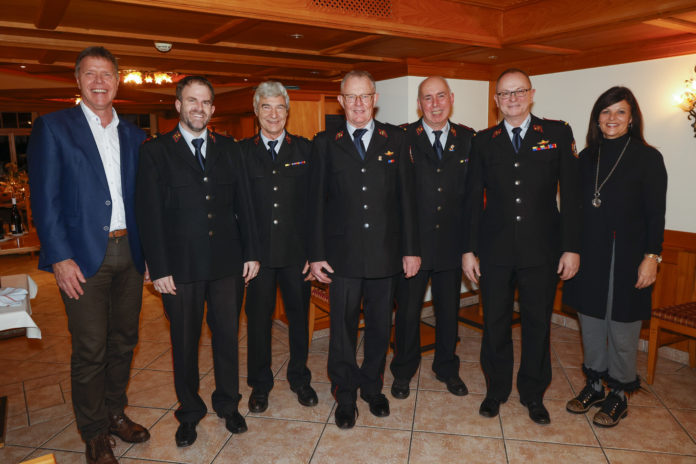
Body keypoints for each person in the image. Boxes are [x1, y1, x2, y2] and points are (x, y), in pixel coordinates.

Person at [27, 46, 150, 464]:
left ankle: (115, 413)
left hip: (130, 252)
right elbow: (44, 200)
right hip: (80, 259)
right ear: (78, 80)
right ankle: (94, 433)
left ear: (118, 81)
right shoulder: (54, 127)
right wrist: (59, 257)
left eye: (107, 74)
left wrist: (150, 255)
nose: (99, 82)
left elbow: (143, 202)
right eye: (90, 74)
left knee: (124, 341)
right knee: (91, 348)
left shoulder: (135, 135)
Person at [136, 76, 260, 446]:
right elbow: (149, 214)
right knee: (185, 343)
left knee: (227, 338)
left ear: (213, 108)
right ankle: (189, 413)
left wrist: (252, 252)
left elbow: (245, 204)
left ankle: (228, 404)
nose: (198, 108)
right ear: (178, 105)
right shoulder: (156, 151)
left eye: (205, 102)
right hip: (180, 268)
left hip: (227, 264)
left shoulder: (229, 148)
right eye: (192, 100)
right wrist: (159, 267)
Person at [462, 68, 582, 425]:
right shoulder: (484, 140)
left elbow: (572, 195)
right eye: (504, 93)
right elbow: (472, 200)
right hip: (495, 251)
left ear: (531, 94)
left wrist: (572, 247)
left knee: (537, 325)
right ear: (496, 100)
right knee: (495, 324)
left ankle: (533, 394)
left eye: (518, 91)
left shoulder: (557, 133)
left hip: (541, 251)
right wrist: (468, 250)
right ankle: (496, 390)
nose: (512, 98)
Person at [308, 70, 420, 429]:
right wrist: (316, 254)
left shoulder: (397, 139)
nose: (359, 103)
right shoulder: (325, 142)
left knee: (378, 326)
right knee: (342, 330)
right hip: (341, 257)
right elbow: (316, 203)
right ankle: (345, 394)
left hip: (385, 254)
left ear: (375, 99)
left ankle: (372, 387)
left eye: (365, 96)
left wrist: (411, 249)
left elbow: (407, 199)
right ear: (341, 101)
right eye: (351, 97)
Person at [563, 86, 667, 427]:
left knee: (623, 327)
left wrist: (652, 257)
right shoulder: (585, 158)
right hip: (589, 255)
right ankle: (594, 386)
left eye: (620, 111)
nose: (612, 118)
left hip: (627, 257)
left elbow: (656, 214)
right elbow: (574, 209)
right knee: (591, 324)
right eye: (606, 111)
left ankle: (619, 394)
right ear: (597, 118)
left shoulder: (647, 158)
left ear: (631, 118)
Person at [390, 76, 474, 399]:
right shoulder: (402, 137)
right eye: (428, 97)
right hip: (413, 246)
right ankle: (403, 371)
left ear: (451, 98)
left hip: (451, 245)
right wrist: (404, 246)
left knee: (449, 312)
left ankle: (447, 368)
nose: (435, 104)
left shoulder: (468, 138)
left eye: (441, 96)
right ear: (419, 104)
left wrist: (469, 247)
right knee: (408, 312)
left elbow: (472, 198)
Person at [240, 81, 317, 413]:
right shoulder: (242, 153)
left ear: (288, 111)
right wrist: (245, 253)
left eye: (280, 107)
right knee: (258, 322)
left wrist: (315, 253)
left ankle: (300, 378)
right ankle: (260, 385)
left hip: (296, 256)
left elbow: (317, 206)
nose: (273, 114)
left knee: (299, 320)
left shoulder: (305, 151)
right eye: (266, 107)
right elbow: (236, 209)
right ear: (256, 111)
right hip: (257, 258)